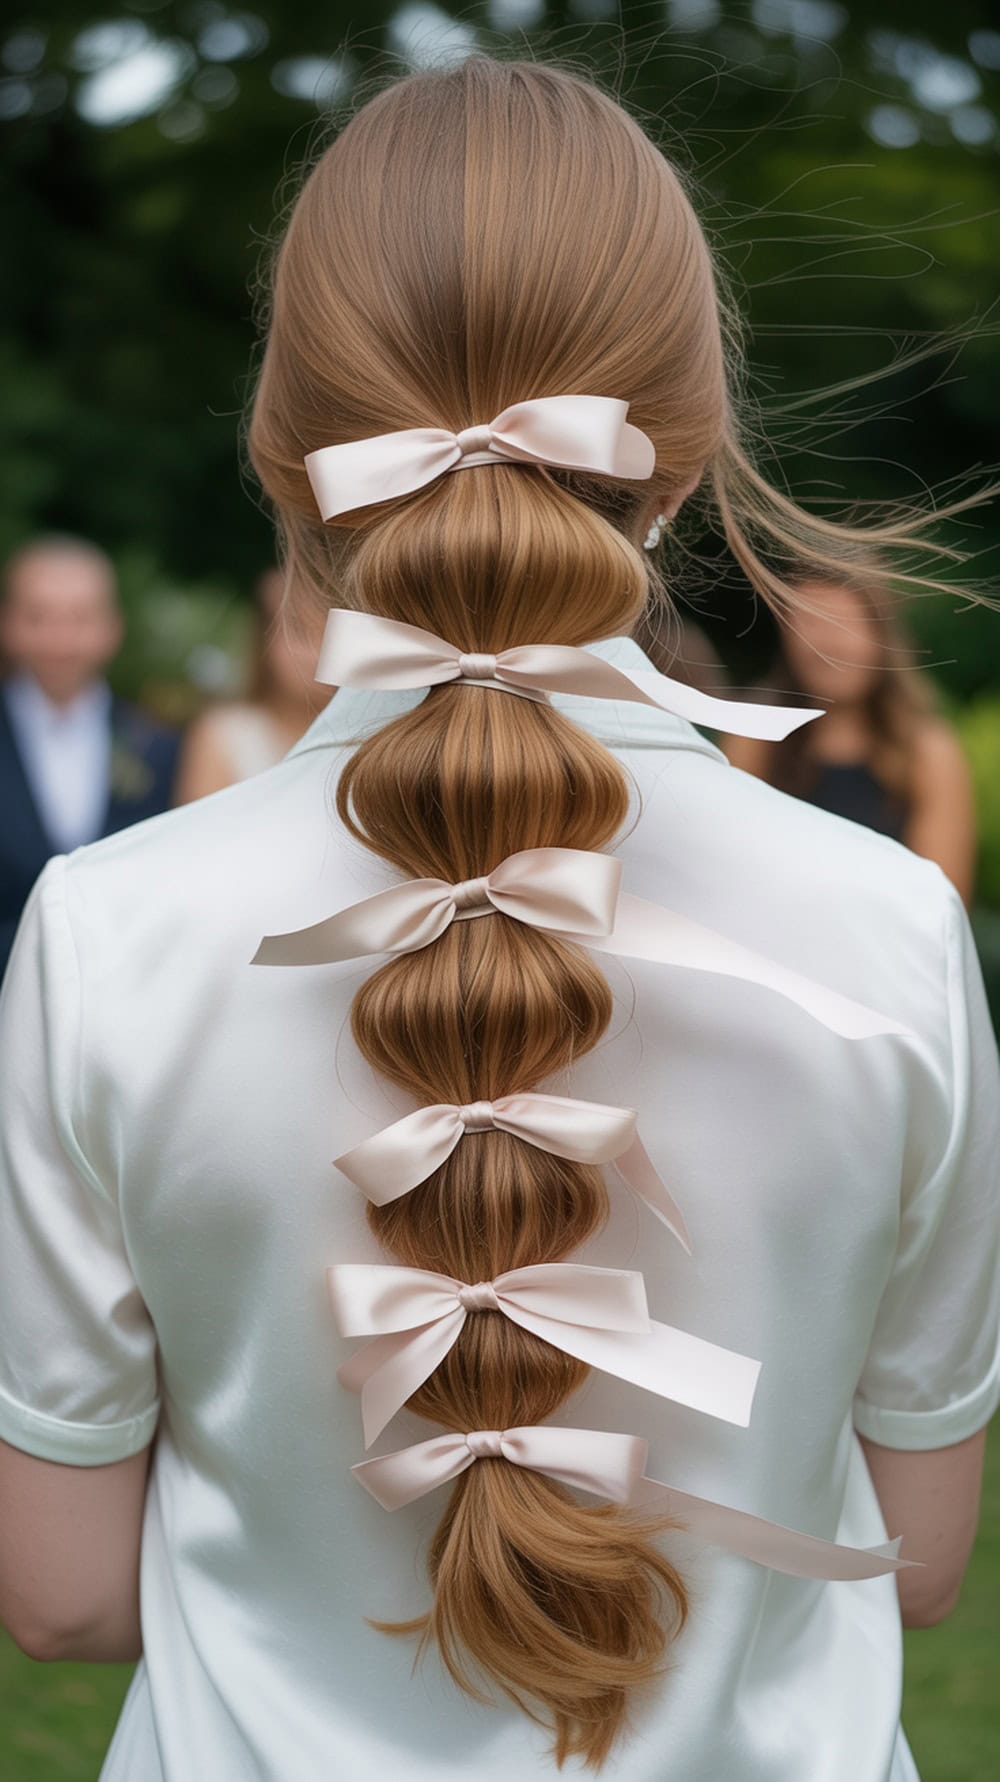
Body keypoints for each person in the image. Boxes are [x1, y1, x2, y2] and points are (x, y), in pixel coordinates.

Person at [0, 57, 997, 1782]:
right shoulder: (893, 928)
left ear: (285, 461)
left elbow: (66, 1594)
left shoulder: (108, 935)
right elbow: (914, 1562)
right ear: (677, 458)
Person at [720, 568, 978, 905]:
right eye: (812, 623)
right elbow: (730, 869)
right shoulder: (754, 737)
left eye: (846, 622)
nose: (830, 645)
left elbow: (943, 901)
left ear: (881, 634)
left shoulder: (928, 752)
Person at [0, 534, 180, 979]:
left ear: (111, 627)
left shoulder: (158, 743)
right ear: (8, 623)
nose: (60, 639)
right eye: (38, 617)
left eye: (80, 618)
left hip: (121, 984)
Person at [174, 566, 334, 800]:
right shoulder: (225, 736)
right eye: (301, 634)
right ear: (265, 640)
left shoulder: (370, 738)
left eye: (329, 635)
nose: (316, 655)